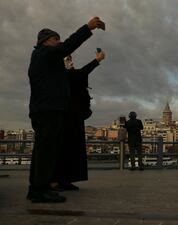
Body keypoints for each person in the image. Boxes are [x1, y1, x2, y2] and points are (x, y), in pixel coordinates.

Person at [27, 17, 105, 203]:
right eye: (56, 39)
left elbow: (75, 73)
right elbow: (67, 47)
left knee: (43, 152)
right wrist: (88, 27)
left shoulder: (46, 60)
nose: (59, 42)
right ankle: (39, 190)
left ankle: (39, 188)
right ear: (45, 41)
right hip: (48, 111)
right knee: (45, 152)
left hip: (47, 110)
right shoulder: (44, 54)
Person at [51, 52, 105, 191]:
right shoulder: (60, 75)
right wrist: (97, 60)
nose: (71, 62)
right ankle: (55, 181)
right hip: (65, 117)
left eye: (70, 59)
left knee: (72, 150)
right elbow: (82, 73)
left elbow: (80, 75)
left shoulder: (69, 74)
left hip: (74, 116)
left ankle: (65, 180)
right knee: (63, 149)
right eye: (67, 60)